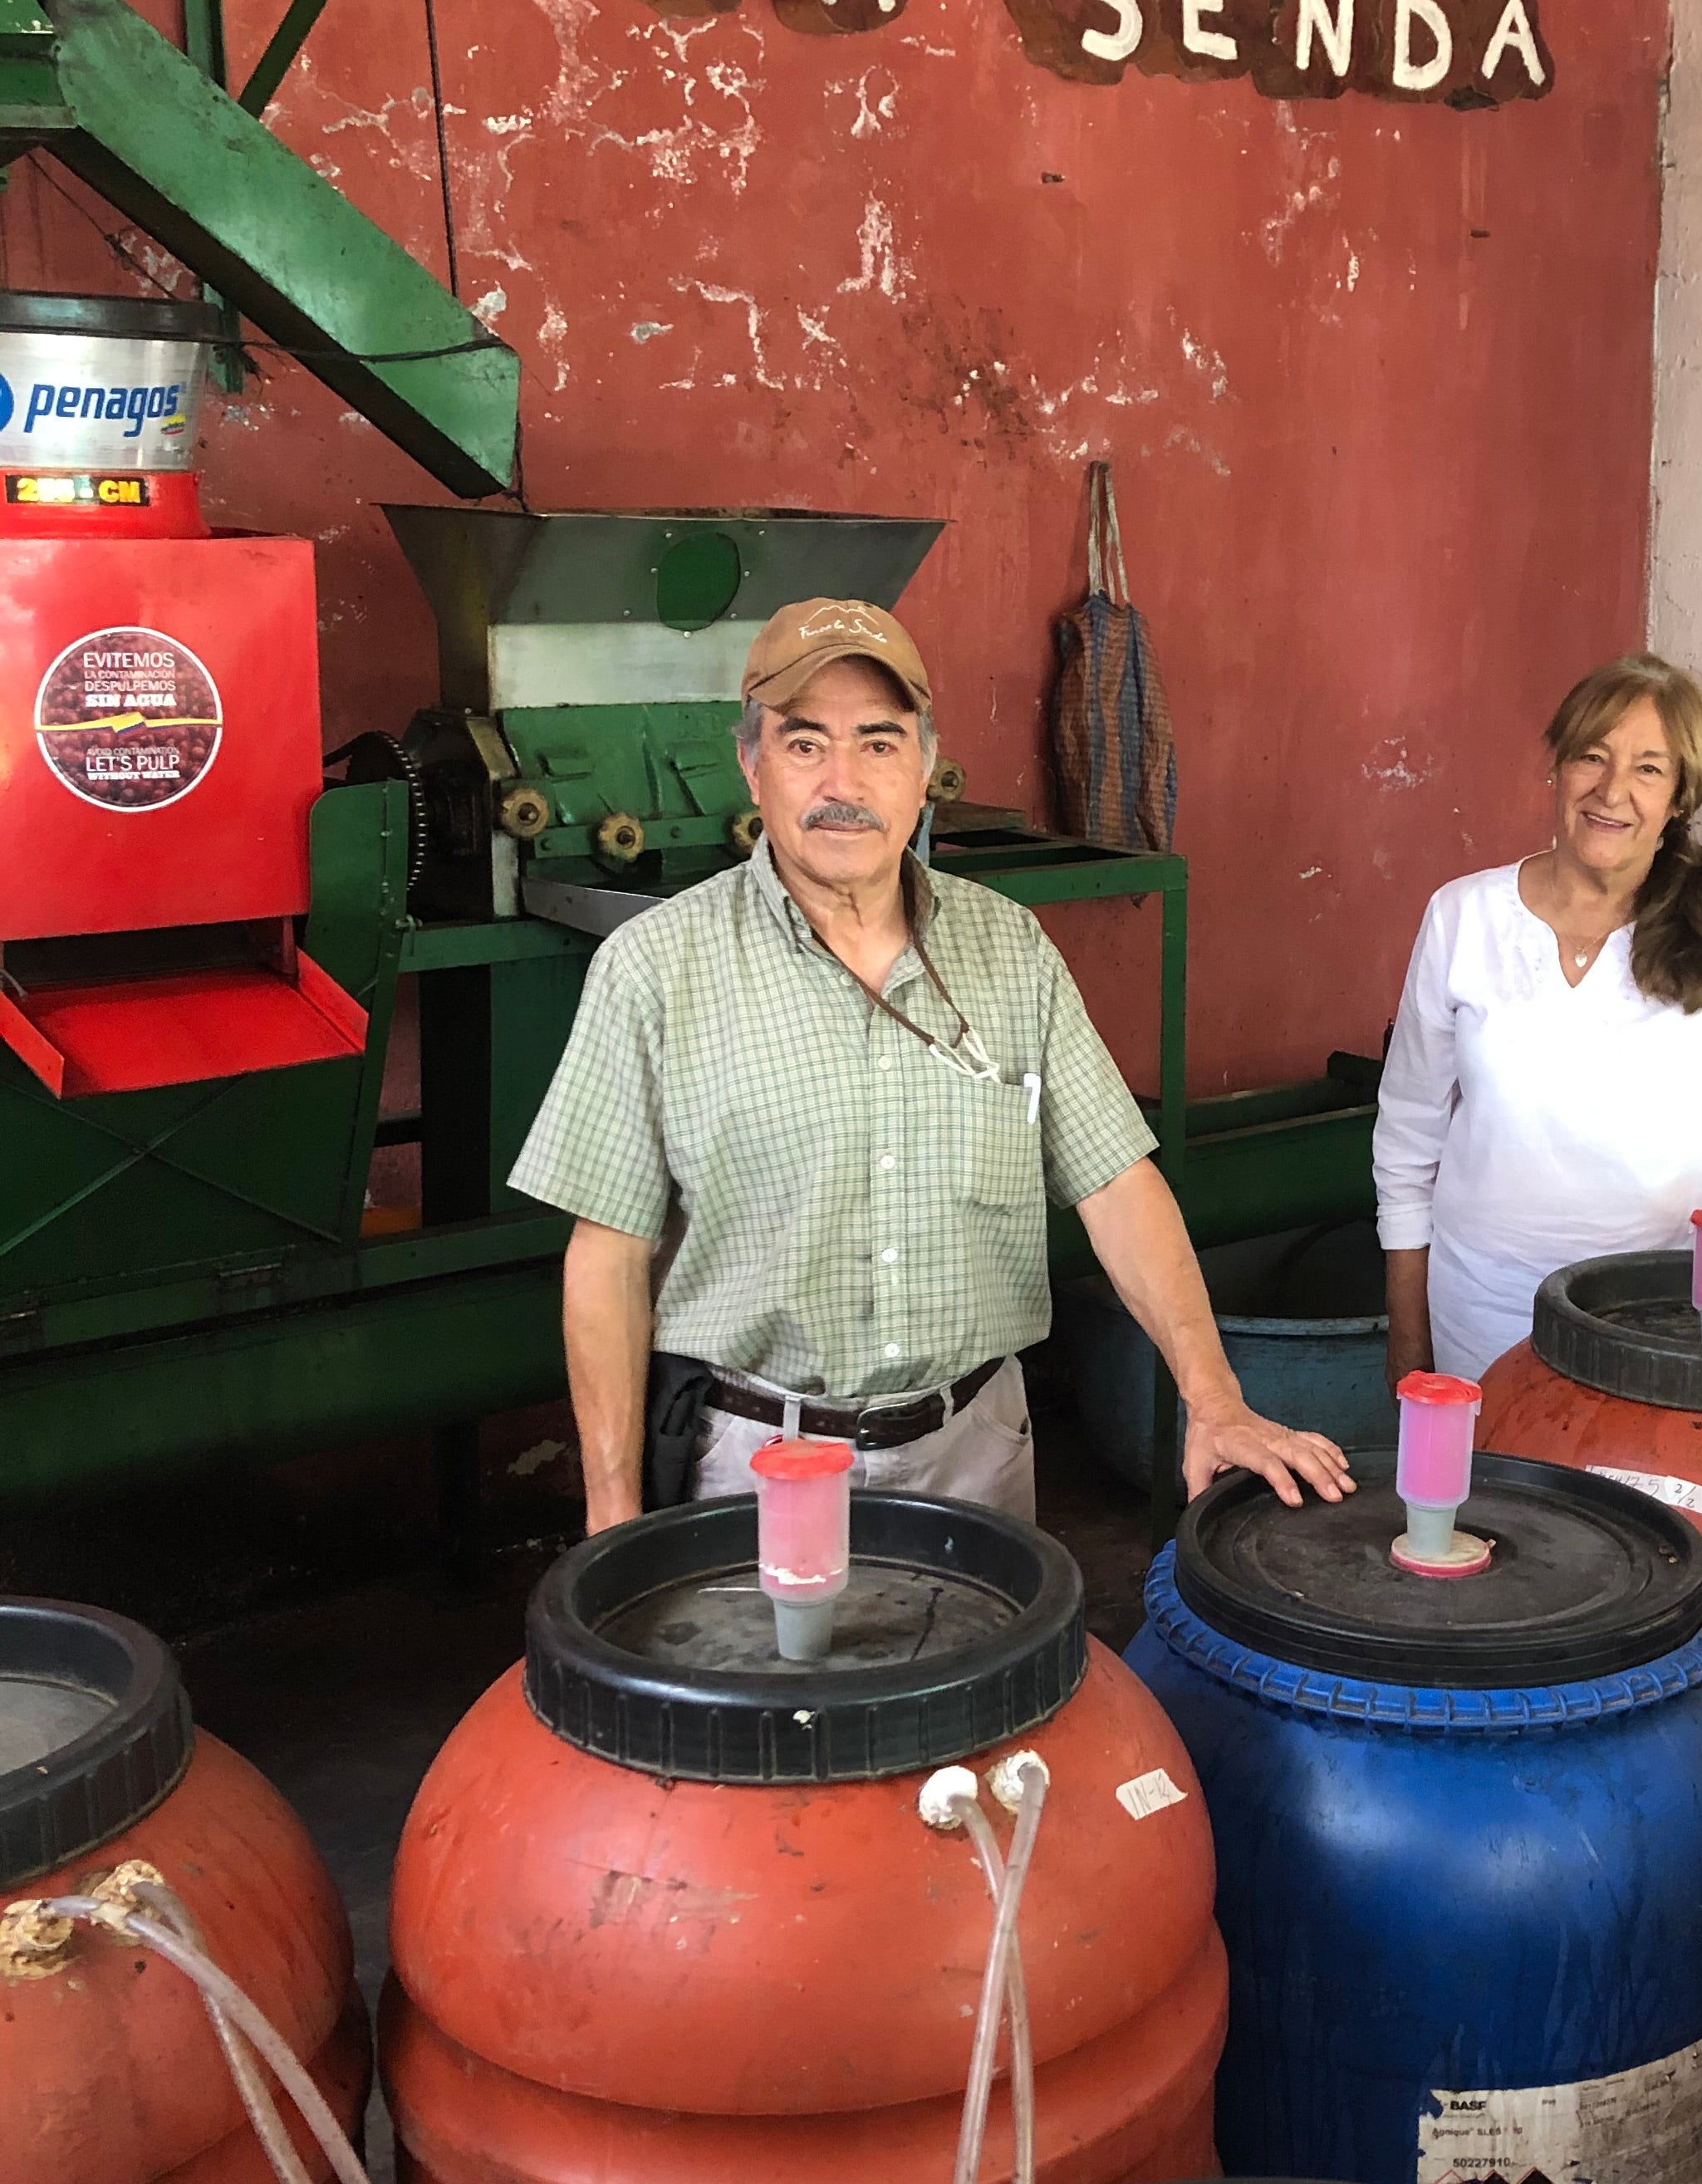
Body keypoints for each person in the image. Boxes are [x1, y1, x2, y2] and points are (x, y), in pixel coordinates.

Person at [513, 595, 1353, 1527]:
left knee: (984, 1676)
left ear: (924, 769)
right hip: (754, 1467)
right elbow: (607, 1260)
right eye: (804, 743)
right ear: (752, 765)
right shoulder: (655, 968)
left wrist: (1215, 1397)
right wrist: (613, 1511)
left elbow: (1118, 1184)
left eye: (878, 742)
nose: (844, 779)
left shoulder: (1012, 950)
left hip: (976, 1455)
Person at [1376, 650, 1702, 1383]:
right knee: (1494, 1495)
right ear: (1556, 768)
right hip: (1483, 1313)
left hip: (1661, 1317)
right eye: (1592, 757)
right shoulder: (1462, 917)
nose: (1612, 791)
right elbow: (1407, 1142)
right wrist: (1409, 1347)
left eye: (1649, 769)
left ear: (1680, 797)